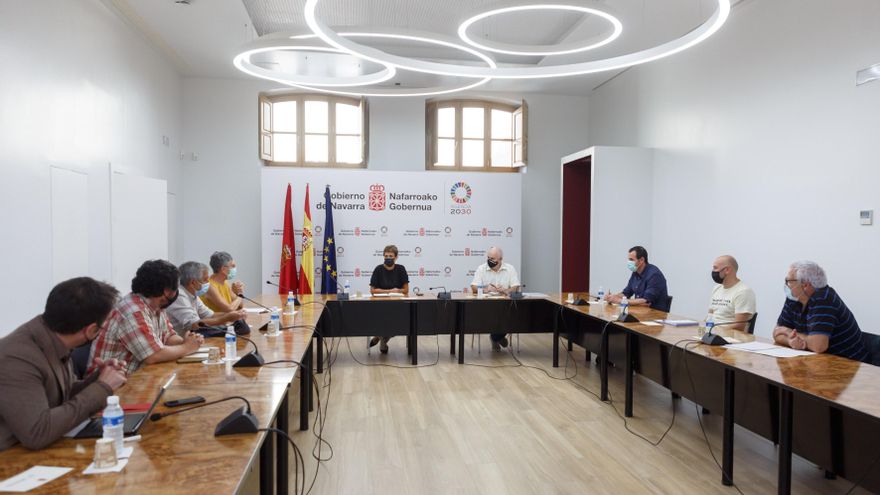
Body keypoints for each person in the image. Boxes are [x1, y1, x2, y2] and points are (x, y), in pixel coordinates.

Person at [0, 277, 128, 451]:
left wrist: (98, 379)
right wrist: (102, 387)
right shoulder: (17, 358)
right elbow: (37, 432)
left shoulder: (51, 337)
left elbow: (61, 395)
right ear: (91, 330)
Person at [89, 260, 205, 375]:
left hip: (135, 377)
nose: (176, 293)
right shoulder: (133, 311)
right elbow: (153, 355)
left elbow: (167, 336)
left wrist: (188, 341)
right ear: (166, 291)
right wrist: (187, 348)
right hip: (111, 386)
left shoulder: (155, 304)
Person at [773, 261, 868, 361]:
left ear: (805, 285)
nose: (787, 285)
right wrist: (790, 341)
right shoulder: (793, 298)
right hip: (817, 362)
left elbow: (818, 346)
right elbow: (777, 333)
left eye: (789, 281)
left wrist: (788, 331)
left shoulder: (824, 298)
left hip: (849, 366)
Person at [167, 261, 247, 336]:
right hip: (180, 343)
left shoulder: (193, 294)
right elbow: (195, 324)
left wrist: (236, 315)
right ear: (193, 283)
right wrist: (227, 318)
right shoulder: (179, 296)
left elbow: (209, 315)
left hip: (192, 339)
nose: (208, 283)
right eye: (205, 280)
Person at [471, 246, 520, 351]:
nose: (489, 260)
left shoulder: (510, 269)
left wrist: (506, 291)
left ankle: (496, 337)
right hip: (486, 307)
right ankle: (498, 337)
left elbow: (516, 287)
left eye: (492, 259)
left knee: (512, 313)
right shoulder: (481, 268)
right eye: (488, 258)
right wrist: (486, 288)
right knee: (494, 314)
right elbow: (473, 287)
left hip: (505, 306)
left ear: (500, 259)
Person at [368, 245, 409, 354]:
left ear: (396, 257)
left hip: (397, 305)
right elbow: (372, 290)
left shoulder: (401, 269)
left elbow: (406, 290)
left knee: (397, 323)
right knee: (383, 319)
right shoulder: (378, 269)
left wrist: (398, 291)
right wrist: (389, 291)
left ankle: (379, 337)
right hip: (380, 304)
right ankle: (382, 341)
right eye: (386, 256)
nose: (388, 258)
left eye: (391, 256)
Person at [605, 245, 670, 311]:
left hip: (655, 315)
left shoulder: (654, 275)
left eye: (631, 260)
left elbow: (645, 301)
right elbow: (626, 293)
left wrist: (620, 300)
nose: (629, 262)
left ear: (641, 260)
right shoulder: (636, 272)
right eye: (628, 259)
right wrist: (612, 297)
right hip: (640, 311)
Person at [708, 255, 756, 331]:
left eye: (715, 268)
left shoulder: (743, 292)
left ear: (727, 270)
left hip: (731, 338)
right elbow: (710, 316)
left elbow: (739, 326)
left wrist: (714, 330)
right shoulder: (717, 288)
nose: (713, 271)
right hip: (712, 334)